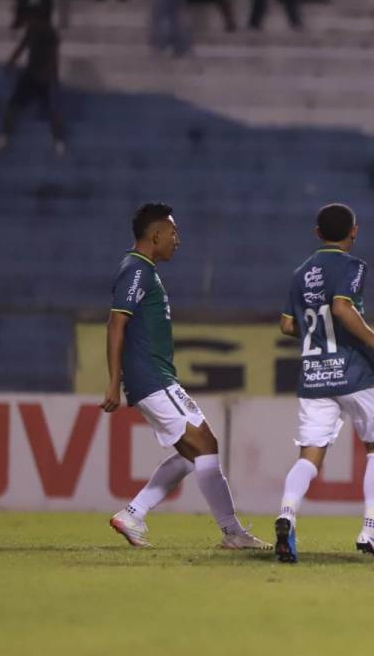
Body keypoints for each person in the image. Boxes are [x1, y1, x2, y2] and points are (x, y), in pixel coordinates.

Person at [104, 203, 270, 552]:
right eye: (173, 232)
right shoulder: (136, 270)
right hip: (152, 377)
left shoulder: (145, 270)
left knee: (194, 453)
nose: (177, 239)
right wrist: (113, 381)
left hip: (156, 376)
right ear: (155, 235)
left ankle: (133, 513)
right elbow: (116, 324)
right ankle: (232, 532)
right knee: (205, 444)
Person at [274, 203, 374, 564]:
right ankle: (371, 529)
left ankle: (287, 514)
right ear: (354, 231)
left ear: (317, 234)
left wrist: (317, 337)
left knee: (310, 455)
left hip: (315, 373)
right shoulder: (352, 266)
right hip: (354, 372)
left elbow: (287, 325)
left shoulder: (300, 272)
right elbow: (343, 308)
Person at [0, 5, 67, 156]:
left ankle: (59, 142)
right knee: (12, 106)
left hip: (43, 77)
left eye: (31, 18)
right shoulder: (32, 31)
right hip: (30, 75)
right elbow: (22, 47)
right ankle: (4, 136)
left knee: (53, 111)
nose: (29, 21)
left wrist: (53, 78)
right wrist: (11, 62)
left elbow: (53, 57)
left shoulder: (50, 34)